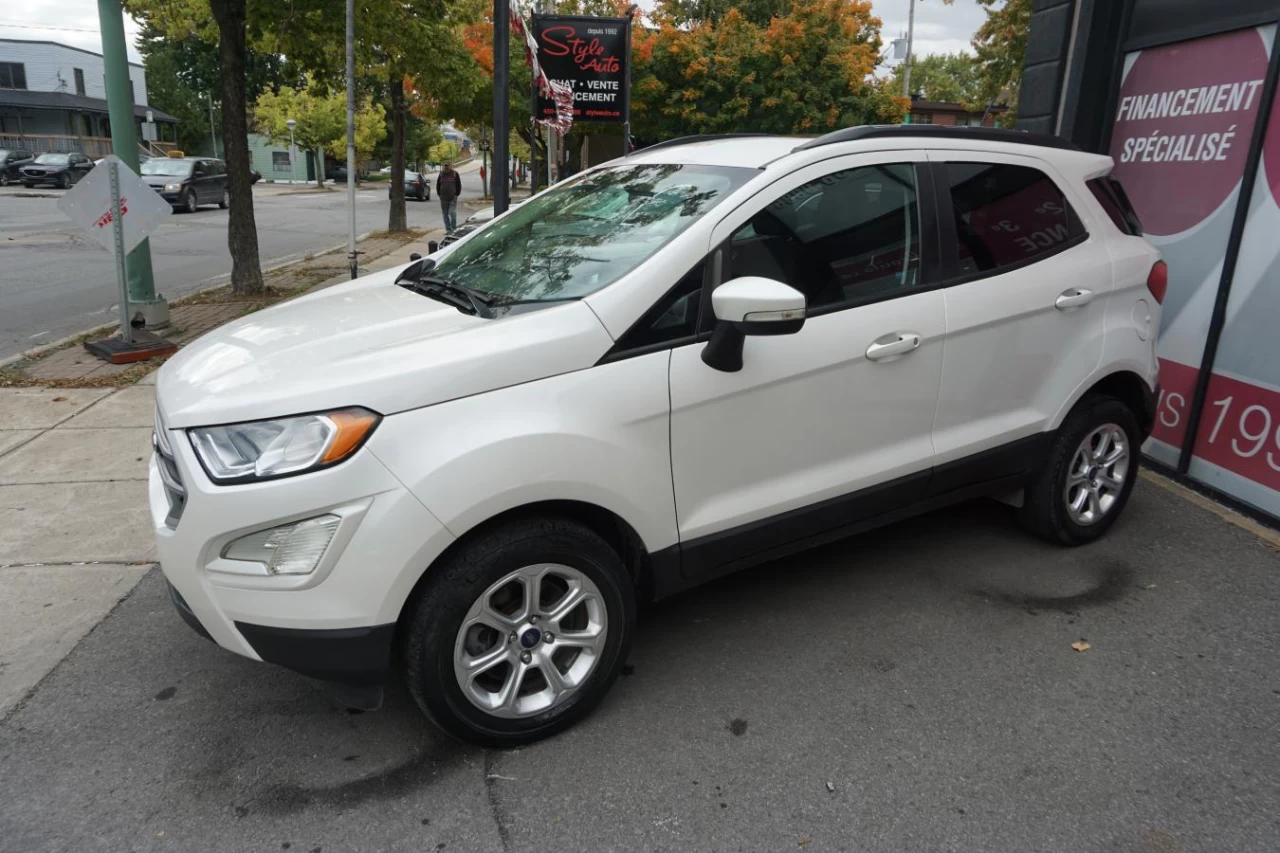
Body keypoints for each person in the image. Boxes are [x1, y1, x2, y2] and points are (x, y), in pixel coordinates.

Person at [437, 162, 462, 231]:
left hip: (452, 198)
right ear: (443, 166)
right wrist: (439, 194)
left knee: (452, 212)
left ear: (451, 166)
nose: (446, 167)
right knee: (445, 214)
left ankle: (453, 227)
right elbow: (438, 185)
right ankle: (448, 229)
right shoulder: (441, 174)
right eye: (445, 166)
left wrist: (456, 194)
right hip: (443, 198)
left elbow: (458, 185)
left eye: (448, 166)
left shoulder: (455, 174)